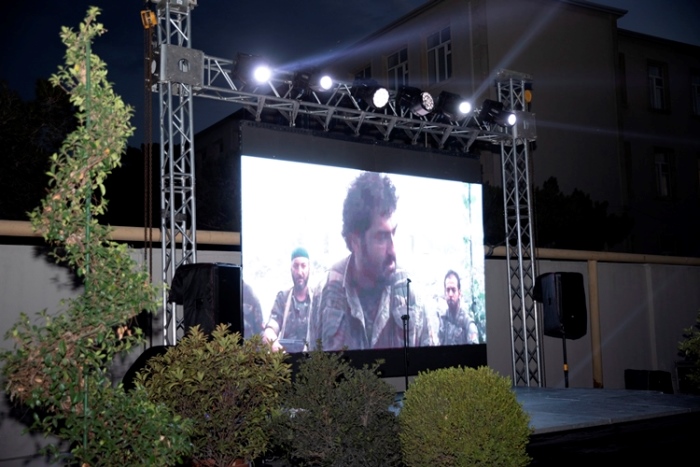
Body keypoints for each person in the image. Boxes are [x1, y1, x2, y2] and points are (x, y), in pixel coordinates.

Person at [308, 171, 431, 351]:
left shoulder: (411, 293)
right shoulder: (326, 293)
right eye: (381, 237)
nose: (393, 250)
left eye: (393, 233)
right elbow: (313, 363)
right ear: (355, 241)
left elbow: (432, 364)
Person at [262, 247, 312, 352]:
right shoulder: (282, 298)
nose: (300, 272)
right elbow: (270, 331)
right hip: (286, 358)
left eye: (303, 266)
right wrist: (276, 348)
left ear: (309, 268)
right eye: (296, 266)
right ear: (291, 269)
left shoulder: (318, 299)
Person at [438, 270, 479, 345]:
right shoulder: (442, 320)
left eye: (453, 290)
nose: (450, 294)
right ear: (444, 293)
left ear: (459, 293)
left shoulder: (467, 323)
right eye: (448, 290)